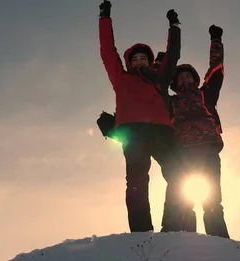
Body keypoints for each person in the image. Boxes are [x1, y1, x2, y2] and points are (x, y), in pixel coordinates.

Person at [98, 0, 182, 233]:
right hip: (133, 131)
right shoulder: (121, 79)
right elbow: (107, 51)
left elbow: (173, 55)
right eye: (133, 59)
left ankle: (173, 227)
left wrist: (174, 26)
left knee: (179, 175)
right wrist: (105, 18)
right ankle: (141, 232)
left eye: (142, 58)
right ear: (128, 63)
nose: (138, 61)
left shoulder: (160, 78)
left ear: (149, 60)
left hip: (161, 130)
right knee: (136, 182)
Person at [167, 24, 230, 239]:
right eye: (180, 78)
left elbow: (216, 68)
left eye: (188, 76)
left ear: (195, 79)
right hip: (183, 152)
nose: (185, 80)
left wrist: (216, 40)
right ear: (175, 84)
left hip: (208, 148)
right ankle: (187, 241)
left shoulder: (206, 94)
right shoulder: (172, 102)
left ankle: (221, 242)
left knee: (213, 200)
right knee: (185, 200)